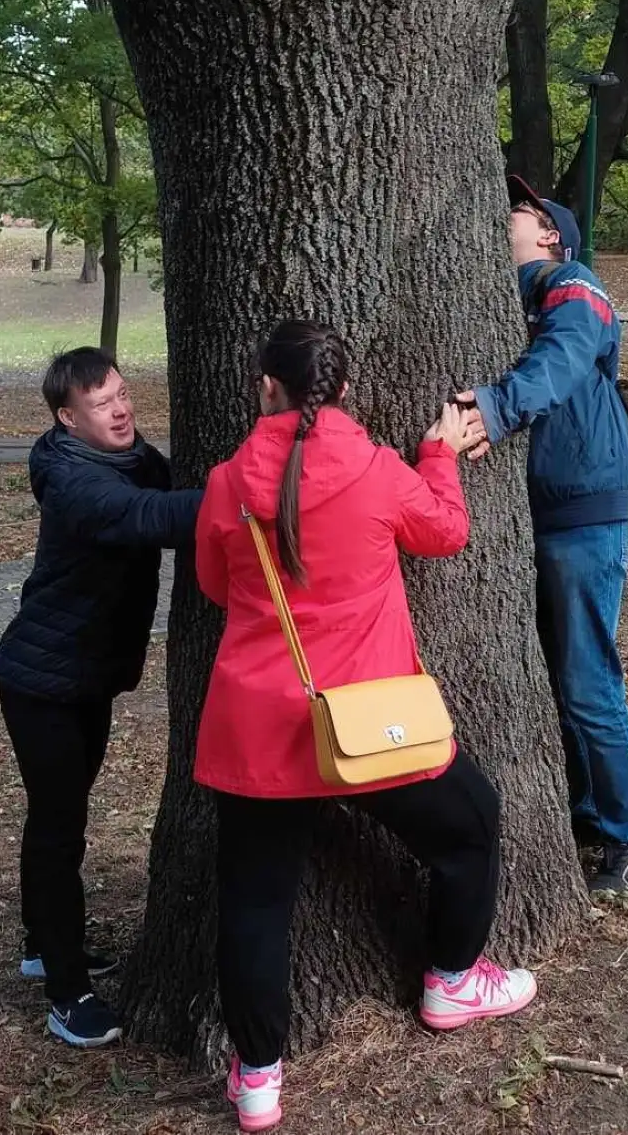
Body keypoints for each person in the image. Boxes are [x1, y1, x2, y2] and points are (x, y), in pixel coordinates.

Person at [194, 320, 537, 1134]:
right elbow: (446, 532)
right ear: (344, 390)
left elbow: (213, 582)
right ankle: (451, 979)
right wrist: (438, 453)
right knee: (472, 822)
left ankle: (259, 1079)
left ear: (266, 387)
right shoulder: (378, 470)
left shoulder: (227, 482)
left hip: (258, 726)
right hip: (373, 726)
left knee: (255, 903)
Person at [458, 175, 628, 903]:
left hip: (584, 514)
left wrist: (497, 406)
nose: (506, 213)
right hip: (542, 515)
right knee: (555, 679)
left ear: (549, 234)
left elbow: (565, 359)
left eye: (519, 209)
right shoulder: (511, 298)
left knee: (587, 681)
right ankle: (584, 814)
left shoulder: (575, 286)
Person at [0, 347, 201, 1049]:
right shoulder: (72, 480)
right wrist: (257, 494)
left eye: (122, 393)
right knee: (59, 826)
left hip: (84, 677)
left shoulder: (131, 457)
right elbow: (152, 517)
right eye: (101, 403)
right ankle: (66, 990)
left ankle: (41, 941)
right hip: (42, 683)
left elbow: (165, 486)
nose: (120, 410)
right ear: (66, 418)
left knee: (60, 816)